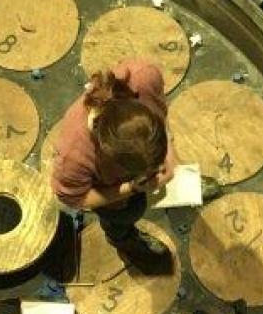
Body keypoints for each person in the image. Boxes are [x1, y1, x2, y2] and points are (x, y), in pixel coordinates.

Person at [50, 59, 176, 265]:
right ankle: (124, 241)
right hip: (115, 196)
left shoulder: (143, 78)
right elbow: (75, 199)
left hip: (133, 179)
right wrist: (131, 189)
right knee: (123, 217)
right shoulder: (74, 155)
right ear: (106, 154)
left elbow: (161, 113)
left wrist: (169, 152)